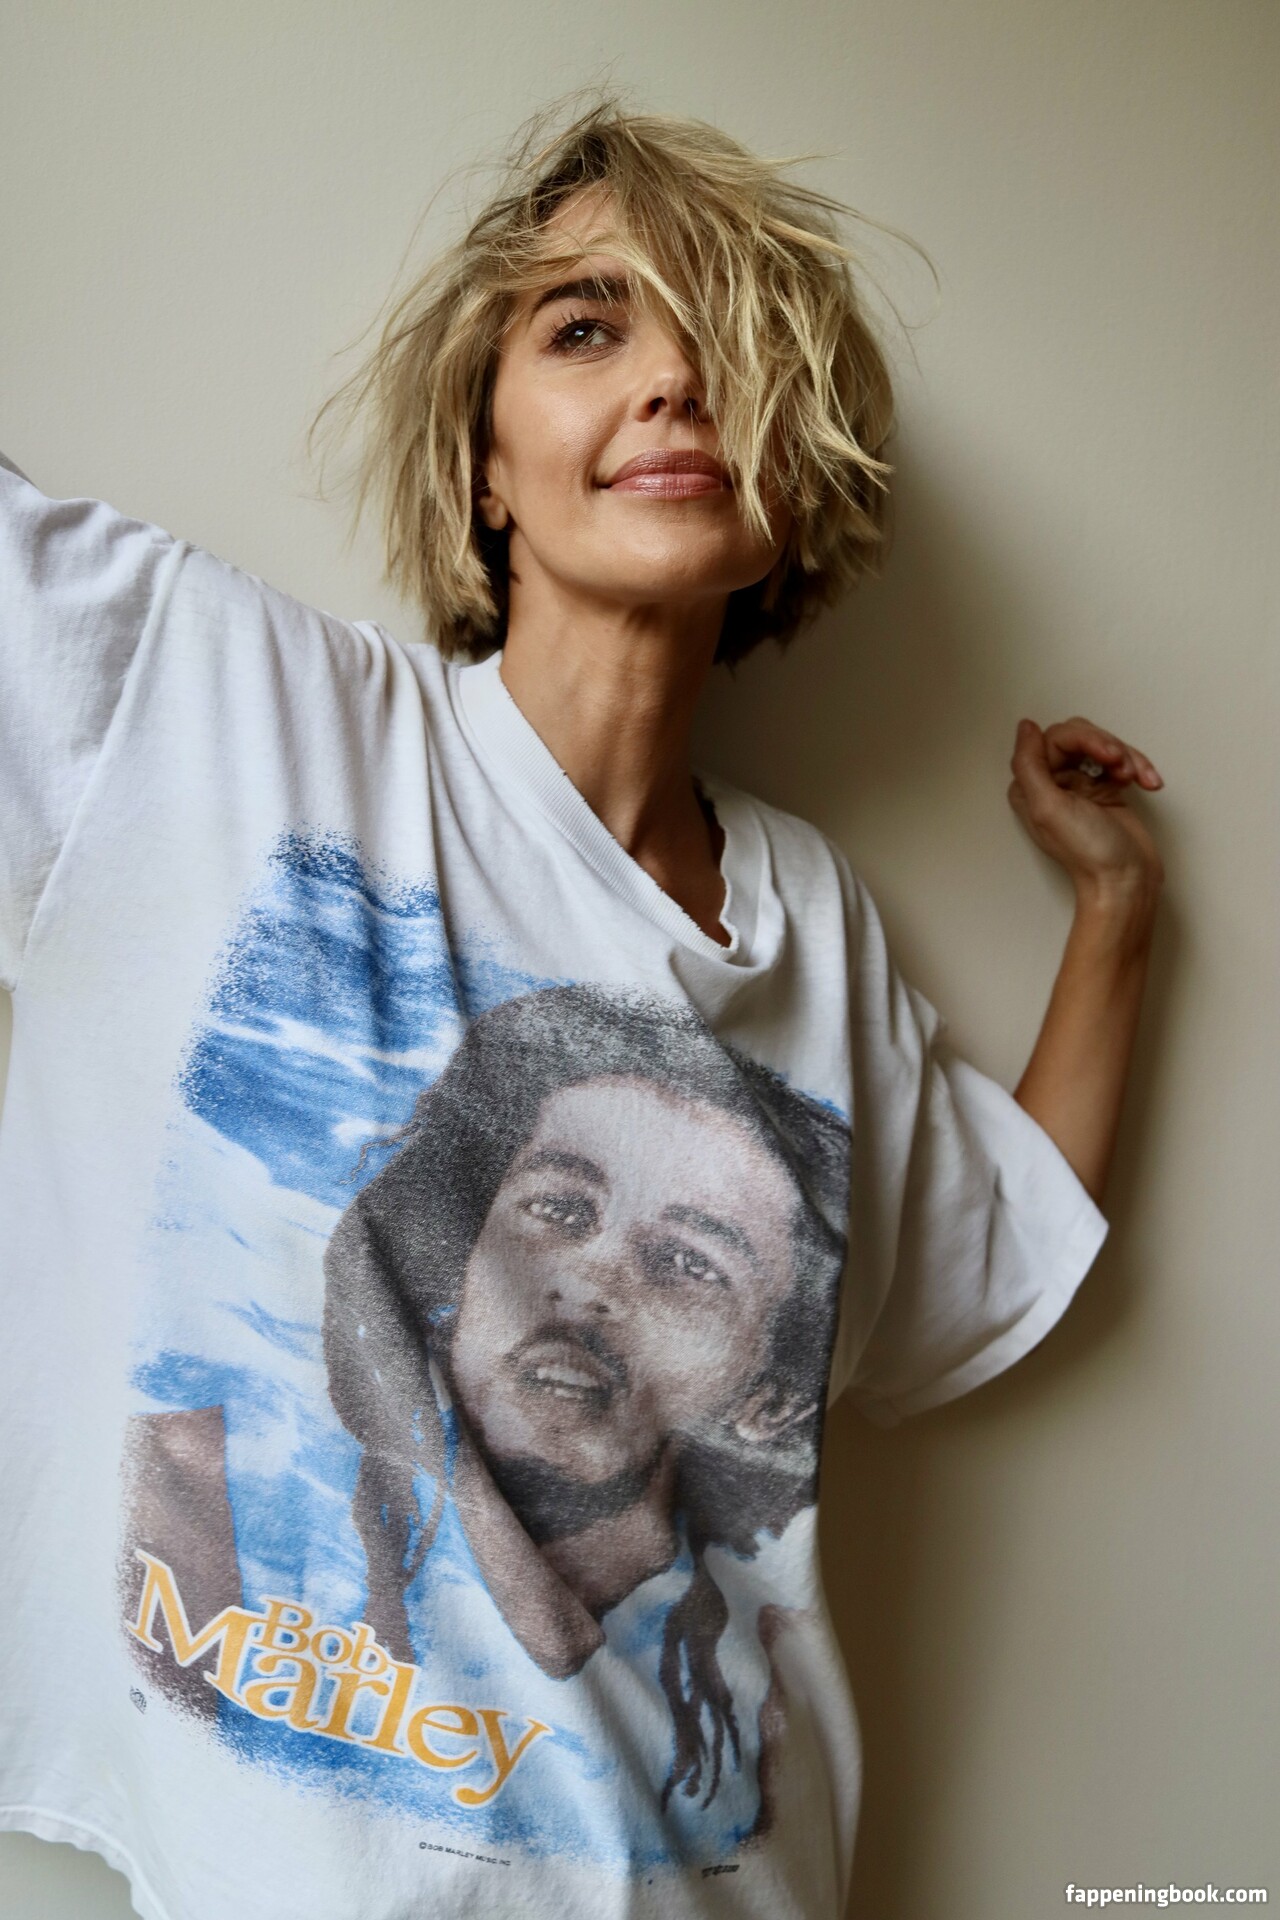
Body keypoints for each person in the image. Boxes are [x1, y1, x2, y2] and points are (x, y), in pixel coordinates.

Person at [0, 90, 1163, 1920]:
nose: (675, 381)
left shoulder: (816, 924)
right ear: (484, 462)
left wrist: (1117, 910)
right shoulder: (219, 706)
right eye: (587, 326)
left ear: (791, 491)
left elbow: (990, 1248)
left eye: (728, 347)